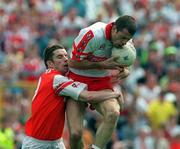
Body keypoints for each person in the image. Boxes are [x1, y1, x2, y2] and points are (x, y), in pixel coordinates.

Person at [21, 44, 123, 149]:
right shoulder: (55, 79)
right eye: (60, 57)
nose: (65, 59)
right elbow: (88, 96)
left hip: (56, 142)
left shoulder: (50, 77)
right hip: (37, 144)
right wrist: (115, 94)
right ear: (50, 63)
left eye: (66, 56)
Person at [67, 15, 137, 149]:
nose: (124, 42)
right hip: (76, 77)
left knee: (113, 113)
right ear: (115, 28)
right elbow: (72, 63)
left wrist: (126, 71)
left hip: (100, 81)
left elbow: (127, 63)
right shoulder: (92, 34)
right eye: (122, 38)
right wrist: (102, 65)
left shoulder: (127, 41)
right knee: (75, 134)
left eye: (127, 40)